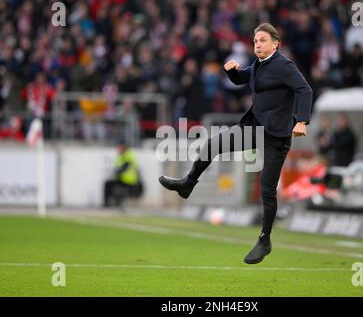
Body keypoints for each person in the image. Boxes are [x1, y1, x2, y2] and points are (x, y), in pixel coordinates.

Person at [159, 23, 313, 264]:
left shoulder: (284, 66)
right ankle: (188, 184)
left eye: (262, 40)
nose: (258, 45)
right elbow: (243, 78)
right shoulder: (259, 66)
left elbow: (305, 90)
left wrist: (302, 120)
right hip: (254, 128)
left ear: (275, 43)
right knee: (212, 144)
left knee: (267, 189)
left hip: (276, 137)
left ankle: (265, 240)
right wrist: (232, 72)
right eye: (255, 41)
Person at [103, 141, 143, 207]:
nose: (119, 149)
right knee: (109, 184)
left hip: (130, 181)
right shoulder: (120, 156)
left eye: (120, 147)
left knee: (109, 184)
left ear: (124, 147)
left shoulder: (129, 155)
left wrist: (118, 171)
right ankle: (109, 203)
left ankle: (107, 204)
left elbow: (124, 167)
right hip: (122, 179)